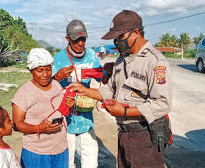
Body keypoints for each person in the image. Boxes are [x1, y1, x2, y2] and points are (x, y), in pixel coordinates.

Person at [68, 10, 172, 168]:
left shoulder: (155, 62)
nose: (116, 42)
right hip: (124, 134)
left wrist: (124, 112)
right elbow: (109, 90)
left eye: (120, 37)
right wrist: (84, 90)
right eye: (115, 38)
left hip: (145, 136)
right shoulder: (121, 60)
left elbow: (162, 103)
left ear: (135, 32)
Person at [52, 19, 113, 168]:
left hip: (86, 120)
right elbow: (46, 88)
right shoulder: (58, 59)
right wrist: (57, 77)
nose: (80, 43)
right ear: (67, 39)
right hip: (65, 122)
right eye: (76, 39)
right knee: (66, 163)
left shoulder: (91, 55)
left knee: (90, 163)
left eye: (83, 39)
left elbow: (102, 79)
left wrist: (108, 73)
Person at [12, 48, 75, 168]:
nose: (45, 75)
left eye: (48, 69)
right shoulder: (24, 92)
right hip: (36, 153)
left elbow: (62, 112)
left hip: (61, 150)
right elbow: (16, 124)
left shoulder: (56, 85)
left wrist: (69, 107)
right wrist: (39, 128)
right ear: (30, 70)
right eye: (40, 71)